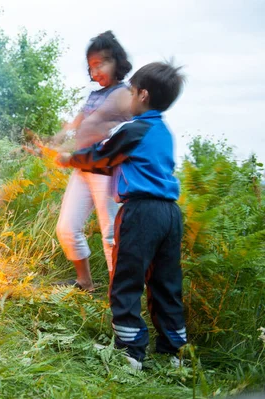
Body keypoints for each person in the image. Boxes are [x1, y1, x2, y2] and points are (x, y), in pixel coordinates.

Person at [56, 61, 187, 370]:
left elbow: (103, 157)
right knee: (167, 283)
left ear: (142, 94)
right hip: (170, 214)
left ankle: (130, 351)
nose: (127, 98)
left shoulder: (134, 128)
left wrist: (70, 159)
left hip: (140, 212)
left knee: (126, 280)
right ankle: (174, 353)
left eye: (129, 92)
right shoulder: (164, 131)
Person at [52, 31, 132, 290]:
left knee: (111, 234)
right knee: (66, 227)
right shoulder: (94, 95)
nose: (95, 71)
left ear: (117, 62)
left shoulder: (125, 94)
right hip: (82, 168)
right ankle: (85, 282)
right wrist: (60, 136)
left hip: (107, 171)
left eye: (101, 64)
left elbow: (128, 130)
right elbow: (78, 121)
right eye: (91, 67)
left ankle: (117, 296)